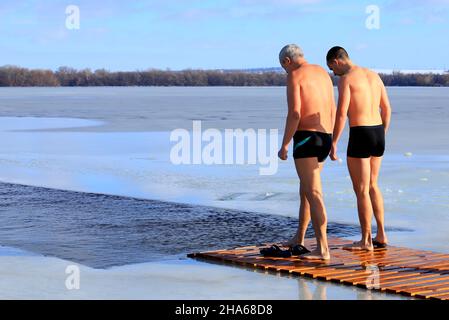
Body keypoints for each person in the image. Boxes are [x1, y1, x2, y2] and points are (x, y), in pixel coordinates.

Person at [326, 46, 392, 251]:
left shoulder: (346, 79)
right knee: (373, 184)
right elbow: (387, 108)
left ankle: (365, 241)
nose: (333, 73)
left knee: (361, 190)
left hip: (360, 133)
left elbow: (341, 114)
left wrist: (334, 142)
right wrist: (382, 133)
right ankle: (381, 234)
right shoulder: (374, 75)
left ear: (337, 60)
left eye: (332, 68)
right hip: (377, 131)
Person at [277, 44, 336, 260]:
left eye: (284, 68)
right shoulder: (322, 73)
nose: (285, 71)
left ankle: (323, 249)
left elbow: (294, 113)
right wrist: (334, 140)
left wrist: (284, 144)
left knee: (314, 193)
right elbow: (332, 107)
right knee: (306, 190)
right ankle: (299, 237)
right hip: (325, 136)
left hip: (306, 139)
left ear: (287, 62)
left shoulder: (294, 76)